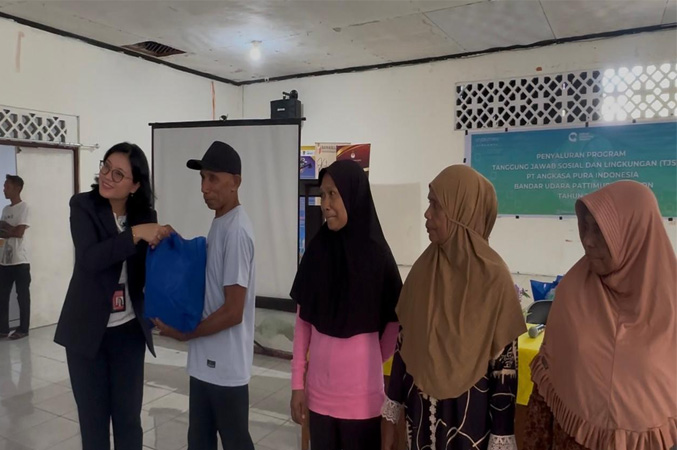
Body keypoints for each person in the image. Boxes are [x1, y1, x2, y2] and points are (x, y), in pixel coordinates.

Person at [382, 165, 525, 450]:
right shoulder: (423, 271)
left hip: (469, 426)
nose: (427, 214)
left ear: (462, 212)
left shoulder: (494, 280)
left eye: (436, 205)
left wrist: (501, 436)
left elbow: (504, 372)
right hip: (420, 421)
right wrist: (390, 412)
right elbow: (403, 347)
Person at [525, 181, 677, 450]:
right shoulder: (573, 290)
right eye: (586, 227)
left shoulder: (671, 304)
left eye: (601, 230)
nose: (588, 240)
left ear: (635, 233)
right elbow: (545, 390)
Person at [54, 142, 171, 450]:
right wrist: (135, 234)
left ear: (135, 185)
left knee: (128, 420)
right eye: (106, 167)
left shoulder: (145, 215)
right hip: (86, 333)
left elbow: (146, 273)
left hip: (128, 332)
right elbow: (90, 259)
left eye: (118, 174)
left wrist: (162, 244)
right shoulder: (83, 206)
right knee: (93, 424)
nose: (107, 176)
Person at [289, 160, 402, 450]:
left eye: (333, 194)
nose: (325, 204)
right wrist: (297, 384)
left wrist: (369, 357)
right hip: (319, 397)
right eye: (322, 195)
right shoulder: (317, 250)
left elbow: (393, 322)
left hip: (362, 401)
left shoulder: (378, 256)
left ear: (353, 196)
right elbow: (303, 323)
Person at [153, 141, 256, 450]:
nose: (204, 187)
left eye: (212, 178)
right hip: (205, 361)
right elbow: (209, 276)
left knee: (235, 442)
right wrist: (176, 244)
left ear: (235, 181)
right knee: (198, 441)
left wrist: (186, 334)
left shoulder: (237, 230)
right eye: (202, 178)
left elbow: (233, 311)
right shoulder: (221, 222)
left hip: (224, 366)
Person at [0, 175, 31, 340]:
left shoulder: (24, 207)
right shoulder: (5, 210)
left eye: (7, 186)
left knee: (22, 297)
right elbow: (2, 232)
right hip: (5, 261)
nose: (4, 189)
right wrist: (8, 229)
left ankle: (23, 329)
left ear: (17, 188)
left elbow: (19, 233)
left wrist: (6, 228)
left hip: (20, 261)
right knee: (2, 296)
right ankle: (3, 329)